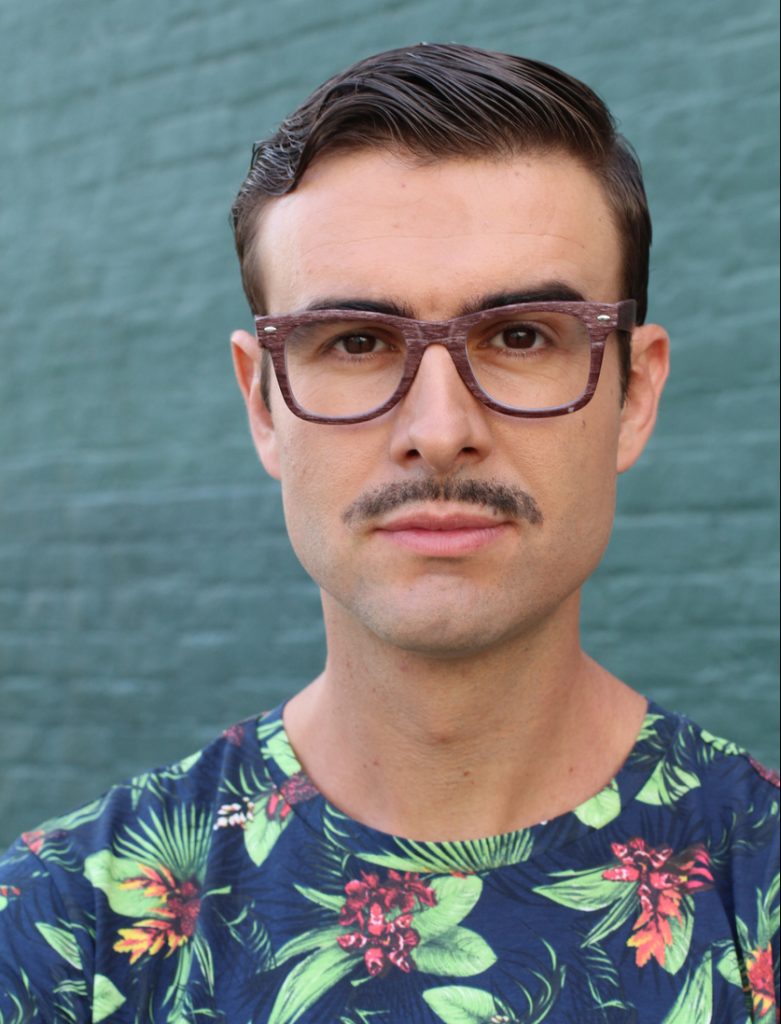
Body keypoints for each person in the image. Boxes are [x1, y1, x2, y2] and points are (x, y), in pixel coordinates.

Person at [0, 43, 777, 1023]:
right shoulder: (64, 925)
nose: (440, 430)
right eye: (358, 343)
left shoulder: (761, 890)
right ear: (263, 404)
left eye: (524, 335)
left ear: (635, 393)